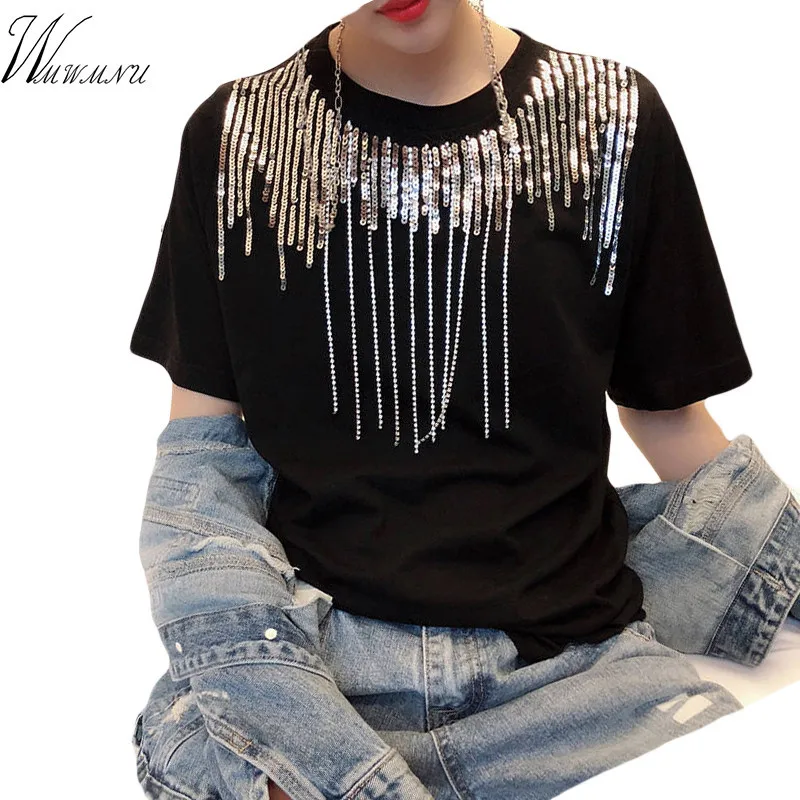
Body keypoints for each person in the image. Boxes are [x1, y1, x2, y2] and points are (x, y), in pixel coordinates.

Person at [129, 1, 799, 798]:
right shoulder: (237, 135)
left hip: (577, 675)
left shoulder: (611, 118)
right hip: (325, 668)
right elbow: (201, 460)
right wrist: (273, 704)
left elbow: (668, 414)